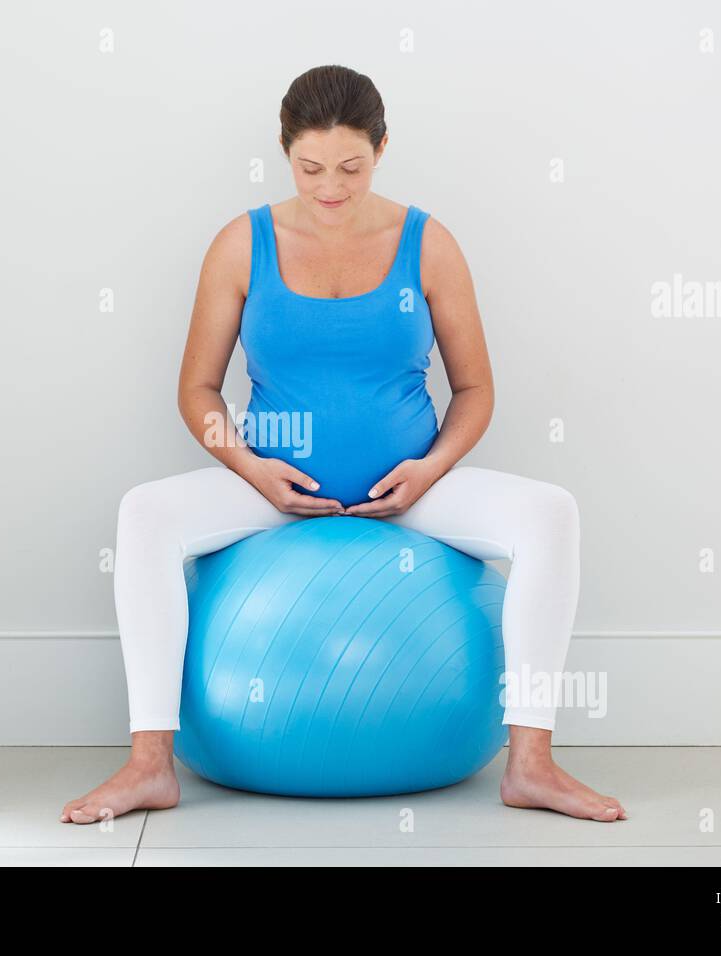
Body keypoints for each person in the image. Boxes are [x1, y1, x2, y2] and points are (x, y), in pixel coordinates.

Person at [62, 65, 626, 825]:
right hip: (274, 489)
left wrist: (429, 470)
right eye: (311, 168)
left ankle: (532, 765)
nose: (331, 187)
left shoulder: (428, 245)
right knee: (143, 514)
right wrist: (253, 469)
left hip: (410, 492)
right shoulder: (242, 245)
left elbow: (475, 390)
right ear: (285, 152)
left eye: (352, 167)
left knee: (550, 512)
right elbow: (196, 392)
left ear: (383, 148)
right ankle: (148, 765)